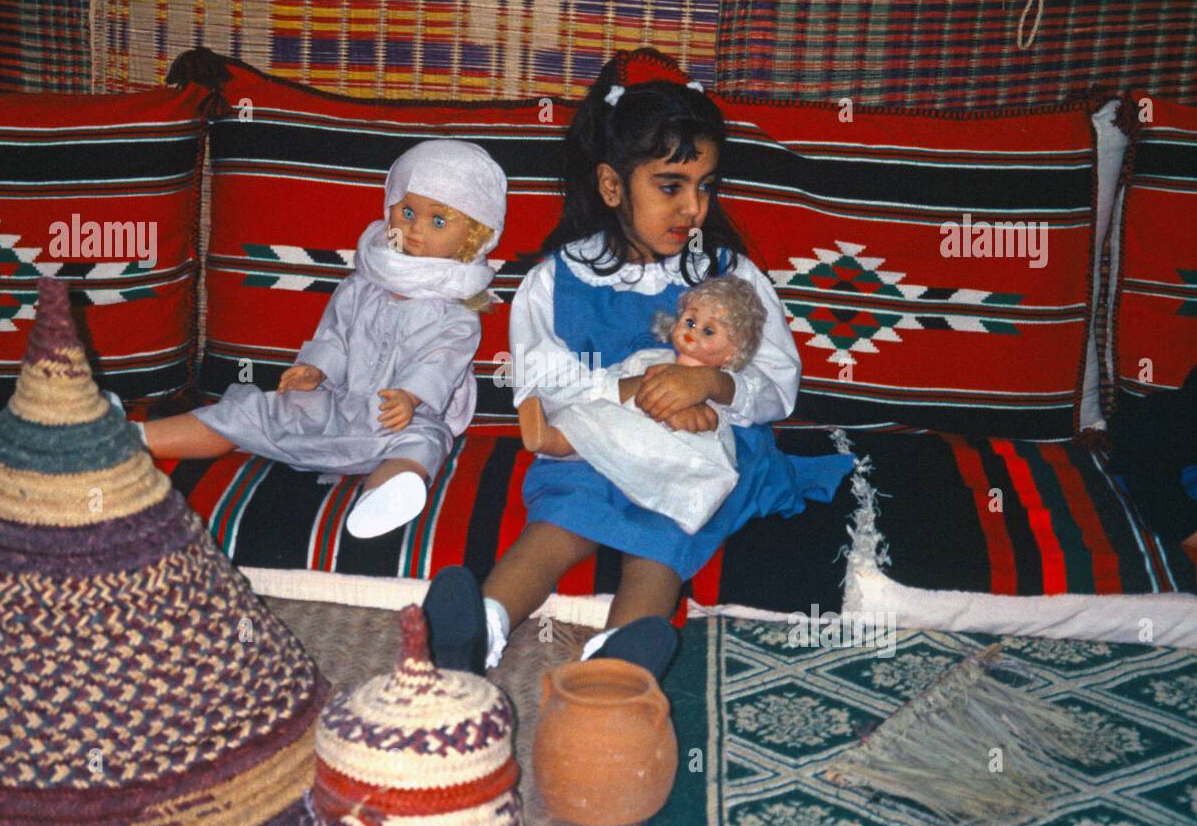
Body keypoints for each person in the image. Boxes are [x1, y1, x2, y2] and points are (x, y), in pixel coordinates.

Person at [422, 48, 855, 681]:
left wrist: (710, 381)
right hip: (599, 438)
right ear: (611, 185)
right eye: (671, 186)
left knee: (663, 534)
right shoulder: (554, 282)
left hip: (699, 449)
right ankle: (481, 624)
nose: (694, 209)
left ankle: (616, 663)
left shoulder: (729, 276)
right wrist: (633, 390)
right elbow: (541, 386)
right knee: (561, 518)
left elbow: (779, 384)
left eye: (705, 187)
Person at [133, 139, 506, 539]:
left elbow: (440, 362)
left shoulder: (457, 312)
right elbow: (337, 336)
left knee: (426, 442)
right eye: (407, 211)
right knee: (257, 409)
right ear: (389, 209)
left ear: (474, 235)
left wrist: (411, 396)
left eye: (438, 221)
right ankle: (133, 440)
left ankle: (383, 495)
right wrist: (316, 369)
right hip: (339, 403)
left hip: (403, 418)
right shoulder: (363, 284)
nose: (415, 229)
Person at [518, 274, 766, 535]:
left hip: (670, 448)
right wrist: (621, 387)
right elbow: (614, 380)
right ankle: (548, 436)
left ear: (731, 353)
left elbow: (710, 423)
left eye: (708, 331)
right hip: (627, 430)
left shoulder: (715, 389)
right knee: (594, 412)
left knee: (609, 426)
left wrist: (688, 412)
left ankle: (553, 440)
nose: (693, 332)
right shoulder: (650, 358)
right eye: (690, 321)